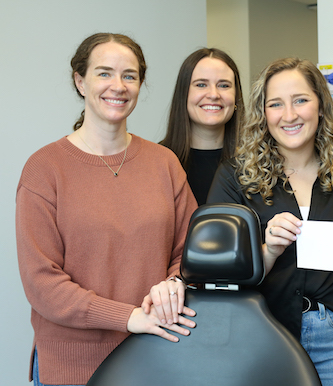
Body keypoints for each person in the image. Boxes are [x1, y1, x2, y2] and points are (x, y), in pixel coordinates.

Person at [16, 33, 198, 386]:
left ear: (140, 84)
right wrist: (129, 316)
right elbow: (42, 283)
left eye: (129, 76)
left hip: (156, 357)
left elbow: (190, 250)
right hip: (73, 367)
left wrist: (176, 283)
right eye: (104, 73)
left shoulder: (165, 164)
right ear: (80, 81)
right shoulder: (44, 169)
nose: (118, 86)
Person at [207, 57, 333, 386]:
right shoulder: (235, 178)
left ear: (321, 107)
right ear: (263, 114)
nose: (289, 115)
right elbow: (217, 278)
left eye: (300, 100)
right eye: (276, 104)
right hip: (262, 336)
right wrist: (267, 249)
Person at [159, 48, 244, 205]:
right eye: (201, 84)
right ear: (183, 94)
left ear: (236, 96)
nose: (213, 94)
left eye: (224, 85)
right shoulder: (157, 162)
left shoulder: (257, 164)